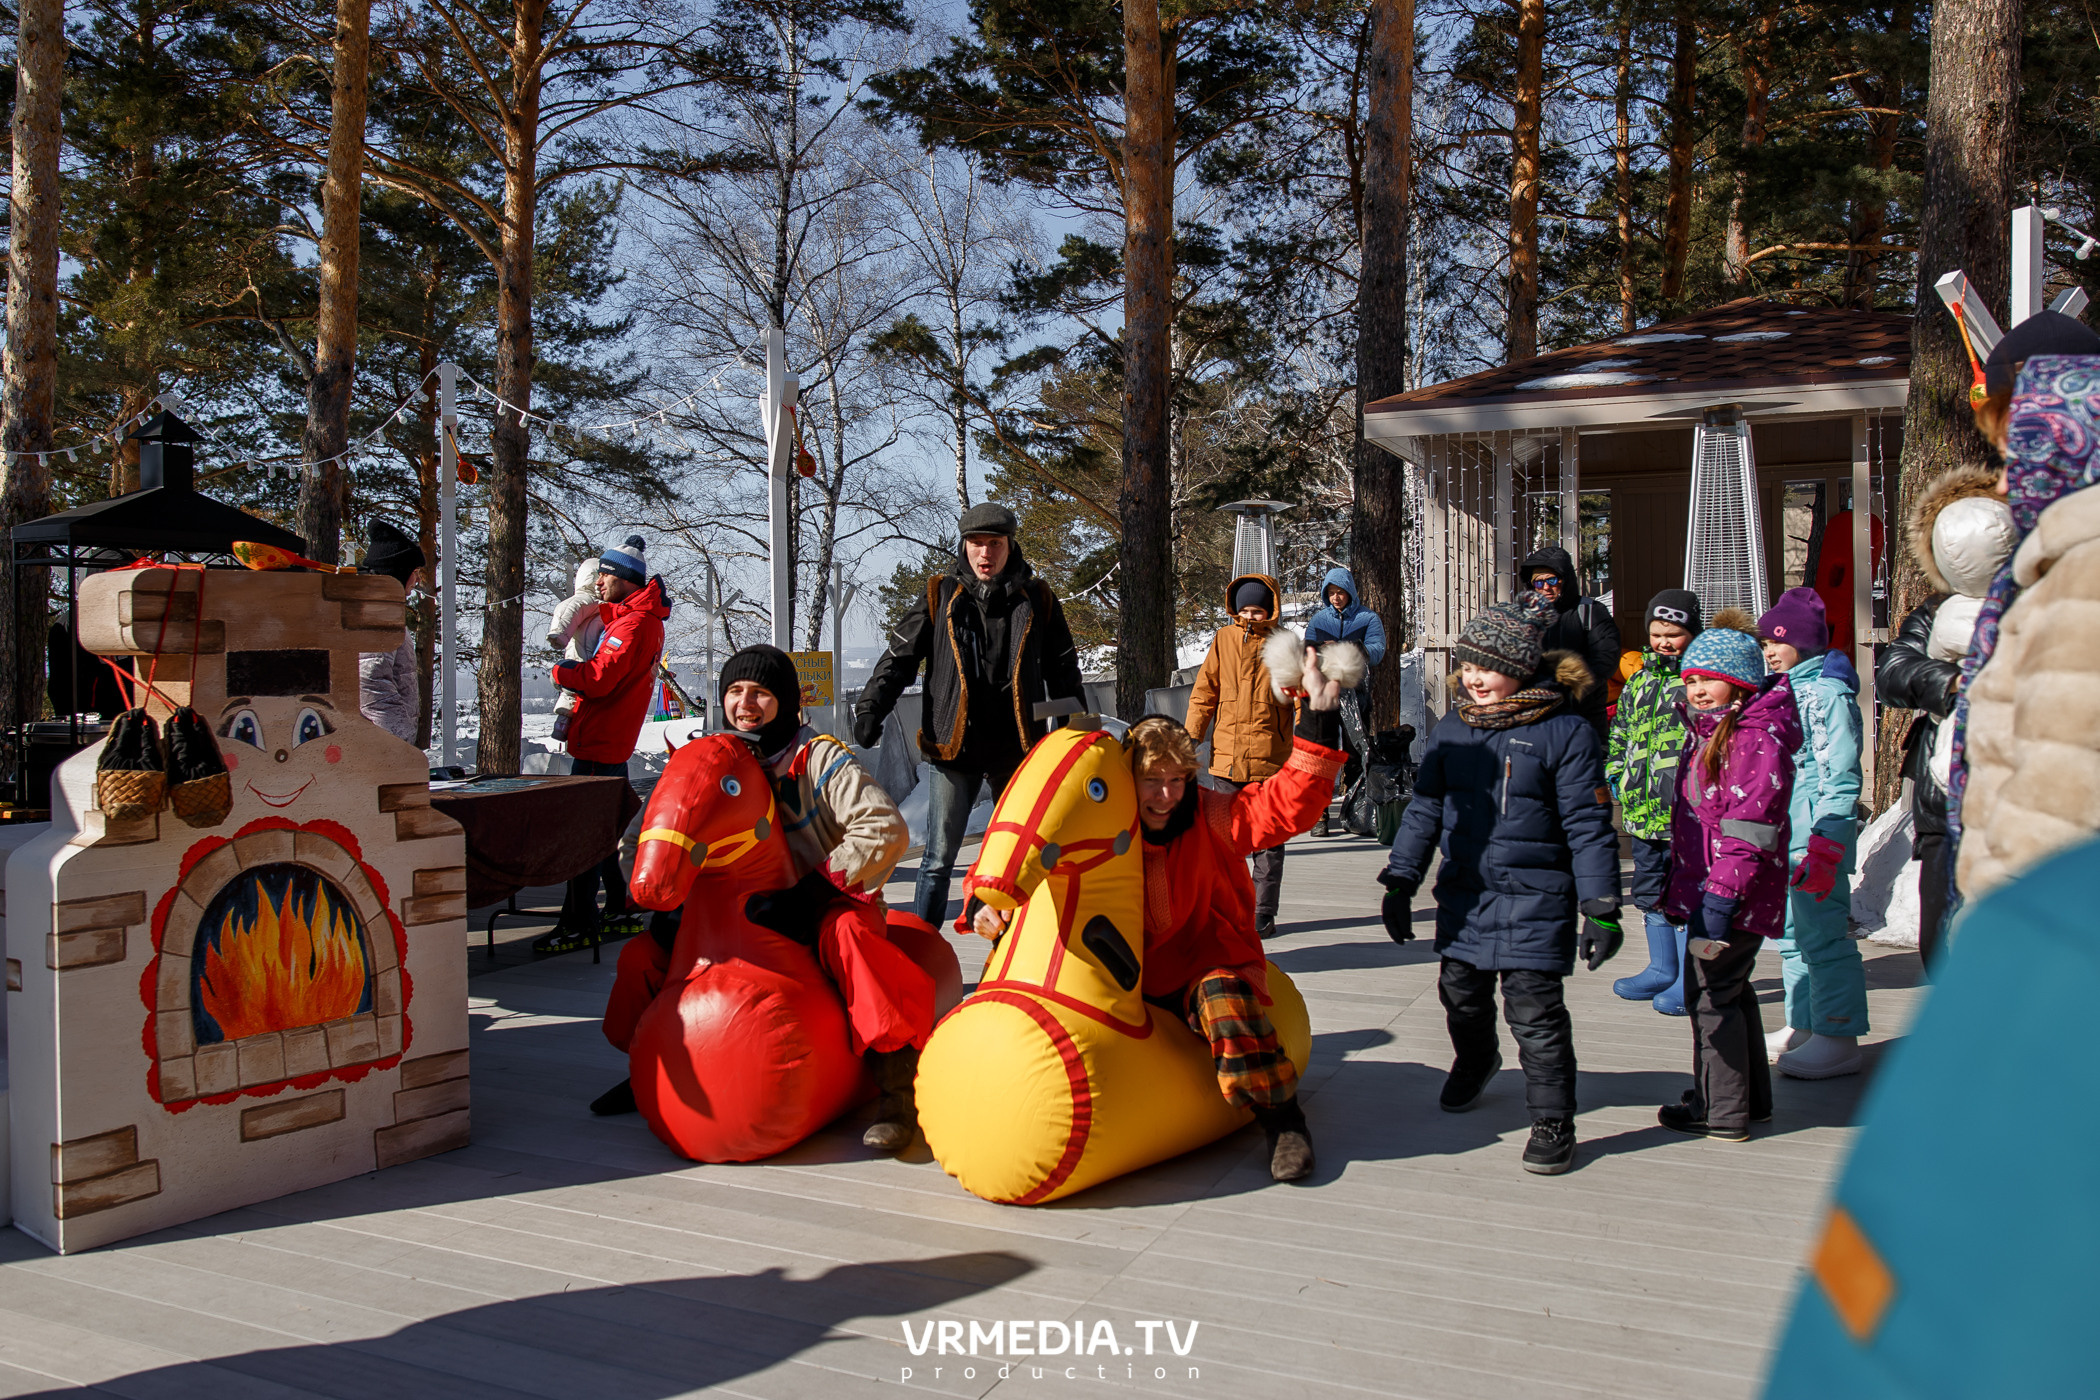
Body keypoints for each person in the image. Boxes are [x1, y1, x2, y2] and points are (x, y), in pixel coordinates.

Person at [972, 650, 1349, 1181]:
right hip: (1117, 977)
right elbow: (1043, 844)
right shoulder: (1107, 828)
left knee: (1222, 994)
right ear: (1130, 778)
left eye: (1177, 779)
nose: (1167, 795)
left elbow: (1285, 805)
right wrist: (994, 907)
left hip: (1199, 964)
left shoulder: (1212, 817)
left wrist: (1318, 718)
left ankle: (1282, 1119)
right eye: (1153, 780)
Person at [596, 646, 931, 1149]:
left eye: (760, 693)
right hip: (723, 913)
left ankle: (895, 1083)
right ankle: (647, 1063)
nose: (745, 703)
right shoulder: (706, 759)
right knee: (642, 957)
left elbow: (883, 828)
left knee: (850, 938)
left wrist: (814, 892)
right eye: (734, 691)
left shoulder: (815, 758)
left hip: (813, 902)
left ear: (786, 702)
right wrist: (670, 900)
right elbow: (644, 836)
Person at [1379, 592, 1622, 1176]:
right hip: (1465, 893)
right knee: (1459, 994)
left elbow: (1588, 824)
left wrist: (1602, 905)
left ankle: (1553, 1118)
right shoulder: (1452, 730)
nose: (1474, 678)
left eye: (1487, 667)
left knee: (1534, 1014)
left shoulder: (1565, 732)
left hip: (1538, 896)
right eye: (1467, 665)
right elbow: (1424, 809)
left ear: (1519, 667)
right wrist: (1401, 879)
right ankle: (1477, 1057)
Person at [853, 503, 1084, 929]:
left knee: (1020, 857)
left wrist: (1076, 734)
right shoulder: (939, 595)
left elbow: (1064, 671)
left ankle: (1015, 951)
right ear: (965, 546)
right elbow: (898, 660)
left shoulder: (1038, 599)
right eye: (976, 543)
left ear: (1009, 545)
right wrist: (871, 707)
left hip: (1017, 753)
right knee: (938, 859)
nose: (985, 553)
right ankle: (922, 949)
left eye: (994, 543)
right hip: (953, 750)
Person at [1656, 615, 1798, 1141]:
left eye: (1708, 680)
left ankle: (1721, 1111)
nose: (1696, 689)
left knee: (1710, 1000)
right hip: (1713, 888)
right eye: (1690, 680)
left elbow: (1747, 831)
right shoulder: (1710, 733)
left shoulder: (1754, 742)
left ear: (1738, 684)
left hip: (1732, 895)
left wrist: (1717, 899)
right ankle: (1751, 1100)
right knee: (1731, 994)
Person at [1877, 466, 2015, 968]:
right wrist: (1953, 680)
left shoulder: (2039, 608)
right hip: (1942, 797)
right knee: (1940, 935)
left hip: (2016, 797)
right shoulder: (1936, 614)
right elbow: (1894, 672)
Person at [1756, 587, 1868, 1080]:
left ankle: (1838, 1033)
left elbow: (1839, 774)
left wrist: (1827, 840)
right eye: (1764, 644)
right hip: (1785, 834)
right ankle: (1802, 1023)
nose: (1770, 651)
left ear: (1804, 642)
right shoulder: (1781, 689)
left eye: (1778, 642)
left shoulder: (1825, 692)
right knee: (1791, 934)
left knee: (1823, 934)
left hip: (1815, 837)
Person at [538, 534, 669, 955]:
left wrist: (563, 672)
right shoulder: (638, 619)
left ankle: (578, 922)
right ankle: (619, 907)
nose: (598, 583)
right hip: (609, 741)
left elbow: (599, 678)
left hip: (599, 743)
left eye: (606, 576)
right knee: (611, 829)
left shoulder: (631, 626)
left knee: (586, 836)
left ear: (626, 580)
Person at [1605, 589, 1702, 1016]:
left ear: (1690, 634)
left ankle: (1689, 976)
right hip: (1642, 810)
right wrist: (1615, 774)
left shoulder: (1695, 683)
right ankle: (1662, 966)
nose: (1664, 641)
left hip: (1684, 813)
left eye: (1674, 634)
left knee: (1684, 891)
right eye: (1657, 633)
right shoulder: (1641, 680)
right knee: (1648, 888)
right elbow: (1621, 731)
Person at [1185, 573, 1297, 937]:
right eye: (1245, 609)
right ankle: (1228, 908)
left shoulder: (1284, 644)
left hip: (1270, 761)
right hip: (1227, 759)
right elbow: (1204, 694)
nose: (1251, 616)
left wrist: (1304, 751)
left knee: (1268, 843)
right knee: (1224, 842)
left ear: (1270, 611)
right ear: (1236, 609)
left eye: (1259, 611)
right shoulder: (1224, 640)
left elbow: (1301, 701)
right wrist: (1189, 740)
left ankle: (1262, 913)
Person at [1303, 566, 1387, 833]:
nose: (1336, 598)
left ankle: (1355, 812)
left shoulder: (1368, 618)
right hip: (1324, 692)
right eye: (1331, 593)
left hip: (1356, 692)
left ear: (1350, 592)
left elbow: (1377, 651)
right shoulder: (1319, 620)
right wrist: (1318, 649)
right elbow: (1307, 653)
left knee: (1354, 752)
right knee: (1323, 751)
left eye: (1340, 592)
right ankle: (1320, 815)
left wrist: (1347, 649)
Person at [1516, 545, 1621, 739]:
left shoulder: (1590, 611)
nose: (1546, 588)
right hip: (1536, 718)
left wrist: (1569, 689)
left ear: (1565, 580)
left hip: (1583, 716)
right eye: (1538, 583)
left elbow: (1606, 658)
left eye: (1552, 580)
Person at [358, 520, 426, 744]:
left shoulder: (381, 609)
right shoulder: (377, 613)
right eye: (414, 572)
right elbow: (371, 681)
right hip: (382, 744)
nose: (417, 579)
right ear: (398, 572)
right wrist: (398, 739)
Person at [547, 557, 605, 743]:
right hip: (580, 658)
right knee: (571, 693)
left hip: (587, 658)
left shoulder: (602, 604)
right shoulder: (584, 599)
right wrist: (560, 635)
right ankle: (563, 727)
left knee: (573, 695)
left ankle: (565, 727)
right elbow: (566, 610)